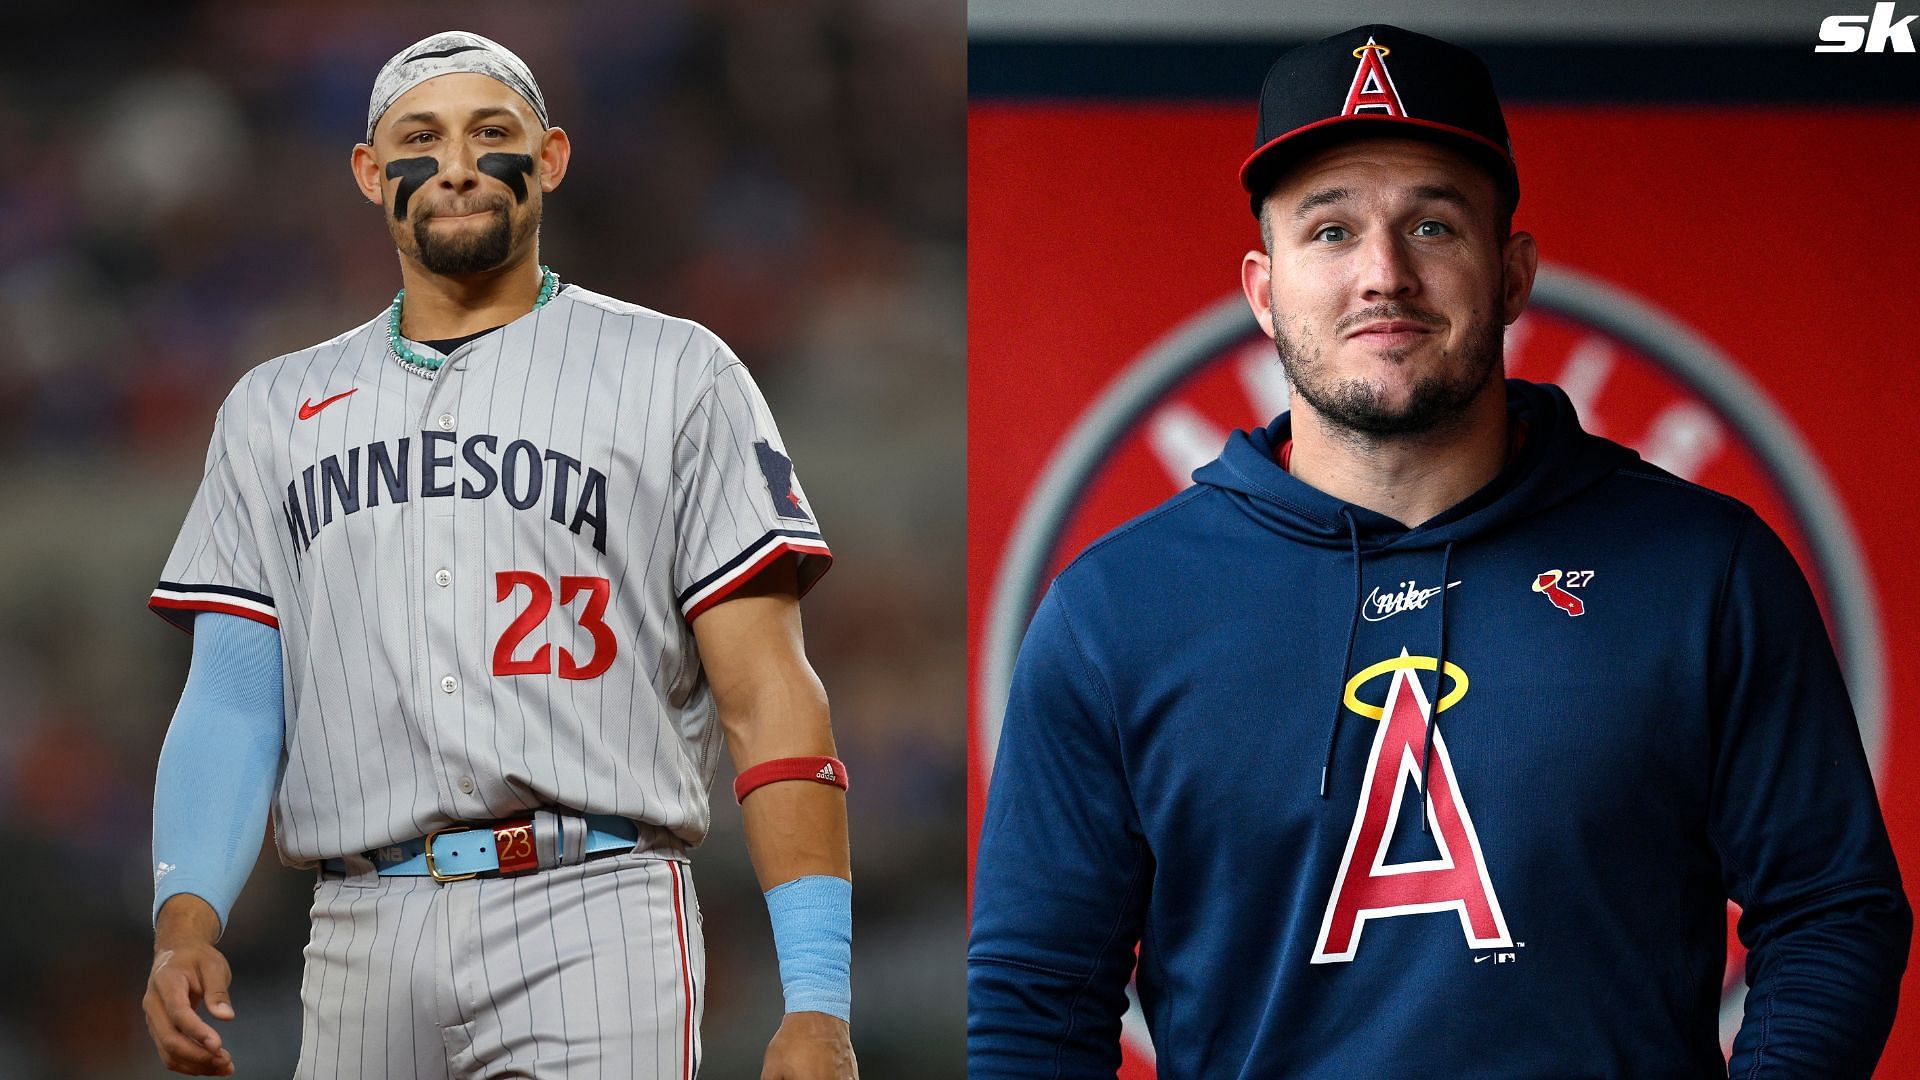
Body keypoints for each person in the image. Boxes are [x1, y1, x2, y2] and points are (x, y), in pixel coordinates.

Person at [968, 23, 1909, 1079]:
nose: (1383, 274)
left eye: (1431, 224)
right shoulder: (1114, 617)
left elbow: (1836, 911)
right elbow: (1035, 999)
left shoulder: (1703, 571)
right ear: (1263, 287)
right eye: (1328, 230)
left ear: (1511, 274)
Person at [140, 31, 856, 1079]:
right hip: (359, 921)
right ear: (370, 172)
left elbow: (769, 693)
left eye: (493, 133)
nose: (459, 163)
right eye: (421, 138)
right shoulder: (273, 411)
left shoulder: (676, 371)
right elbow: (234, 700)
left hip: (596, 902)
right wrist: (184, 919)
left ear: (552, 157)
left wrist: (818, 998)